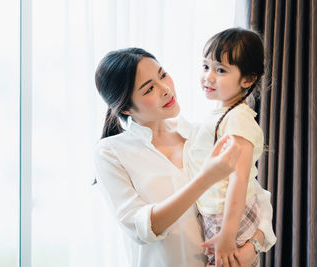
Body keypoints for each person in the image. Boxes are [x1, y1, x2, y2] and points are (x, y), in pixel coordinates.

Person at [93, 47, 276, 267]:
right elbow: (141, 228)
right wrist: (205, 179)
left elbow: (257, 199)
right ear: (126, 109)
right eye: (149, 88)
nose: (166, 89)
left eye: (162, 75)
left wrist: (251, 248)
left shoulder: (206, 134)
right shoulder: (111, 152)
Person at [186, 28, 276, 267]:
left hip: (229, 217)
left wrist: (227, 233)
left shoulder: (237, 119)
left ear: (247, 80)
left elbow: (239, 179)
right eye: (205, 67)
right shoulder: (224, 113)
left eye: (221, 70)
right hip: (220, 215)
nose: (209, 76)